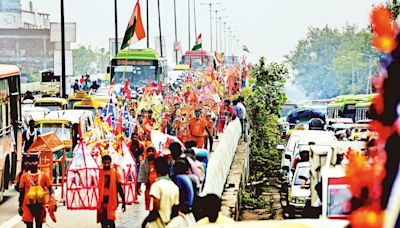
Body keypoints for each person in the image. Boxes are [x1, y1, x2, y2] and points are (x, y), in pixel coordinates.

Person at [142, 157, 179, 228]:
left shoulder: (156, 186)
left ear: (156, 169)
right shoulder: (174, 187)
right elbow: (175, 208)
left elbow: (156, 207)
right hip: (169, 223)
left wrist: (145, 221)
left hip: (156, 224)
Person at [18, 155, 53, 228]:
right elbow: (21, 192)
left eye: (34, 161)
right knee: (30, 225)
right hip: (29, 205)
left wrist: (52, 201)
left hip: (38, 205)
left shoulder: (25, 176)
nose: (33, 164)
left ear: (38, 162)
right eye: (31, 162)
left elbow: (50, 189)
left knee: (38, 225)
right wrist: (20, 206)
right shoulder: (25, 176)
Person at [97, 155, 126, 228]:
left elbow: (120, 188)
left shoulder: (115, 173)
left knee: (111, 221)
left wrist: (123, 202)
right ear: (102, 163)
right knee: (103, 222)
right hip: (101, 202)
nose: (106, 164)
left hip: (111, 201)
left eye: (108, 163)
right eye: (105, 163)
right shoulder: (98, 173)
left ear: (110, 163)